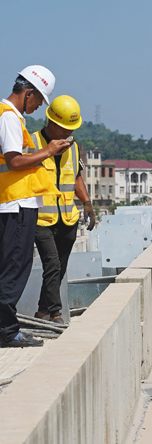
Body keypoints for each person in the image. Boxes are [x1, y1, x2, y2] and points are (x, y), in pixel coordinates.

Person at [0, 66, 66, 348]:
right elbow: (14, 161)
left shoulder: (10, 117)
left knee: (13, 267)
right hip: (15, 205)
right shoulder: (9, 118)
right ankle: (7, 332)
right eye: (38, 100)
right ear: (28, 93)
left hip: (17, 204)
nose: (39, 106)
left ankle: (6, 328)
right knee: (14, 269)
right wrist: (49, 151)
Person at [30, 95, 96, 325]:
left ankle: (40, 312)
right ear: (52, 123)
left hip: (67, 217)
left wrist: (87, 202)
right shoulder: (32, 144)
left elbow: (76, 177)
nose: (68, 134)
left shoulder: (74, 148)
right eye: (65, 129)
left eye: (71, 129)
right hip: (40, 218)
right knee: (52, 264)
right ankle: (55, 314)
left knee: (59, 268)